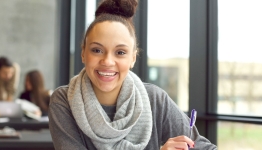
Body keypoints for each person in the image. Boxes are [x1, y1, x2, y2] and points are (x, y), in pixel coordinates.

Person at [48, 0, 217, 150]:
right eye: (97, 50)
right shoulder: (63, 101)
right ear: (83, 53)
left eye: (120, 52)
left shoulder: (155, 100)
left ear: (133, 58)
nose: (107, 61)